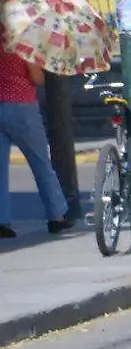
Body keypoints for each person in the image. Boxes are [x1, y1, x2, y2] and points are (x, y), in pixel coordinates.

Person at [0, 39, 74, 239]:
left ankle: (2, 221)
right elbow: (37, 78)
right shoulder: (23, 42)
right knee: (41, 163)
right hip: (22, 106)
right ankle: (56, 216)